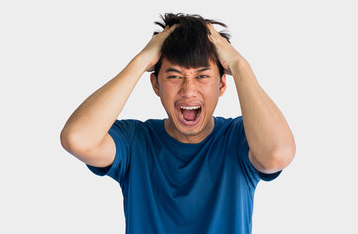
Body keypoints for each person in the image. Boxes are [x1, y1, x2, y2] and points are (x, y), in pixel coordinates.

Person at [60, 13, 296, 234]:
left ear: (222, 85)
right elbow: (78, 139)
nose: (188, 90)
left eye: (202, 76)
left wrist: (239, 64)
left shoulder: (240, 138)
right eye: (174, 76)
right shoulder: (135, 141)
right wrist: (141, 61)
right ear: (156, 85)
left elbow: (277, 154)